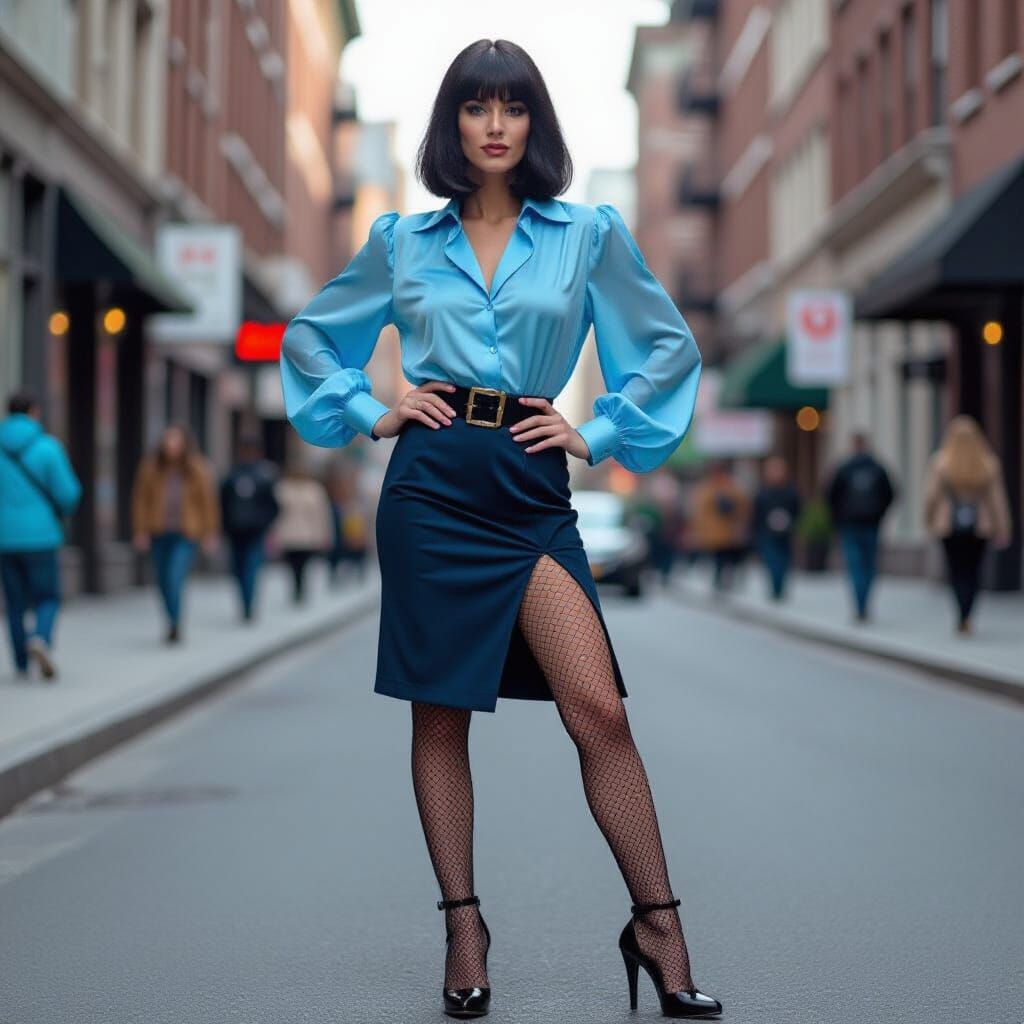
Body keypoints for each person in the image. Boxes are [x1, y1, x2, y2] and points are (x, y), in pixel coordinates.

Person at [279, 39, 720, 1021]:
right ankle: (464, 928)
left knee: (597, 709)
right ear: (453, 123)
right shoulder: (402, 241)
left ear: (533, 122)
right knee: (440, 713)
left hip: (528, 487)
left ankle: (658, 926)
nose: (493, 125)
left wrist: (599, 430)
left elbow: (665, 346)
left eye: (512, 107)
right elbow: (310, 337)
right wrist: (371, 411)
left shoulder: (587, 234)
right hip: (430, 487)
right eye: (475, 106)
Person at [0, 392, 81, 680]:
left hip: (5, 538)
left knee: (15, 603)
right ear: (34, 411)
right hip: (41, 537)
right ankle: (41, 638)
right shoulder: (47, 447)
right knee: (47, 597)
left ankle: (21, 664)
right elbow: (69, 494)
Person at [923, 415, 1012, 634]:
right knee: (973, 571)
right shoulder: (988, 463)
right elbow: (997, 500)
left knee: (956, 570)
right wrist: (1003, 528)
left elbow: (931, 497)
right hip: (979, 527)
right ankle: (968, 613)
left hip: (949, 526)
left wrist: (928, 520)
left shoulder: (941, 462)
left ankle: (961, 612)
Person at [131, 424, 219, 643]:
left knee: (175, 577)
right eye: (168, 441)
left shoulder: (197, 468)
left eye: (176, 441)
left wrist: (210, 532)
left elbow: (208, 502)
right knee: (162, 580)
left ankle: (175, 623)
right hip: (158, 532)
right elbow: (140, 500)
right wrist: (140, 531)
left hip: (185, 533)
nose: (171, 446)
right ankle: (170, 619)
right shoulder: (151, 467)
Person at [825, 433, 896, 623]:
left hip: (849, 525)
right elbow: (891, 494)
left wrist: (838, 518)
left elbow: (830, 496)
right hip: (871, 524)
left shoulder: (844, 468)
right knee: (869, 564)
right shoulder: (878, 468)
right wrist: (879, 514)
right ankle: (865, 602)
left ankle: (860, 604)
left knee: (855, 564)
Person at [220, 433, 280, 621]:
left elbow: (274, 505)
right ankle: (244, 602)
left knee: (251, 567)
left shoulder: (264, 476)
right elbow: (222, 503)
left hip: (255, 532)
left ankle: (249, 604)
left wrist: (264, 523)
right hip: (235, 532)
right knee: (238, 569)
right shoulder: (232, 475)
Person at [271, 464, 333, 605]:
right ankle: (297, 588)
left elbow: (322, 514)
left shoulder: (314, 489)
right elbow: (275, 513)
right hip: (289, 535)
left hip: (307, 535)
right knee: (292, 565)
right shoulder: (283, 488)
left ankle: (300, 589)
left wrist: (324, 533)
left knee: (303, 564)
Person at [691, 462, 751, 594]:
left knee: (725, 557)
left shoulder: (718, 488)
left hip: (727, 532)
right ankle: (720, 579)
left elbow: (743, 509)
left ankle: (720, 579)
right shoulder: (728, 488)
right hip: (719, 532)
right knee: (721, 558)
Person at [752, 456, 801, 601]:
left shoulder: (791, 491)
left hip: (785, 532)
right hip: (766, 532)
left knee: (784, 560)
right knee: (772, 560)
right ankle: (775, 587)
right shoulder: (762, 491)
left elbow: (797, 509)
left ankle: (780, 587)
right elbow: (756, 513)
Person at [324, 460, 370, 587]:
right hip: (340, 523)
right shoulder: (336, 490)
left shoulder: (356, 493)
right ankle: (336, 573)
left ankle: (355, 571)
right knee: (338, 550)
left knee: (355, 551)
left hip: (351, 524)